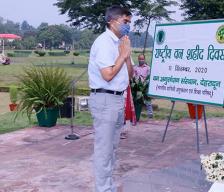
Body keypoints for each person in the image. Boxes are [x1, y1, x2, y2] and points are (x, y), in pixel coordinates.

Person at [88, 5, 133, 192]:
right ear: (112, 21)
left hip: (117, 100)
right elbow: (107, 75)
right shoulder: (104, 42)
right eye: (125, 22)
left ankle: (108, 186)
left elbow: (129, 75)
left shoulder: (120, 42)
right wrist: (122, 55)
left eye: (130, 22)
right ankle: (103, 189)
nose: (128, 26)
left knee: (112, 150)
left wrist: (127, 55)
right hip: (104, 100)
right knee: (104, 150)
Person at [133, 54, 153, 118]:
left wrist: (145, 83)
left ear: (144, 59)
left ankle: (150, 114)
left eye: (142, 59)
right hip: (137, 87)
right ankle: (136, 114)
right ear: (138, 59)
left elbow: (149, 77)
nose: (141, 60)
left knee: (148, 101)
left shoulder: (148, 68)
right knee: (137, 101)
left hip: (145, 86)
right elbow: (133, 76)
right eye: (140, 59)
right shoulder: (135, 68)